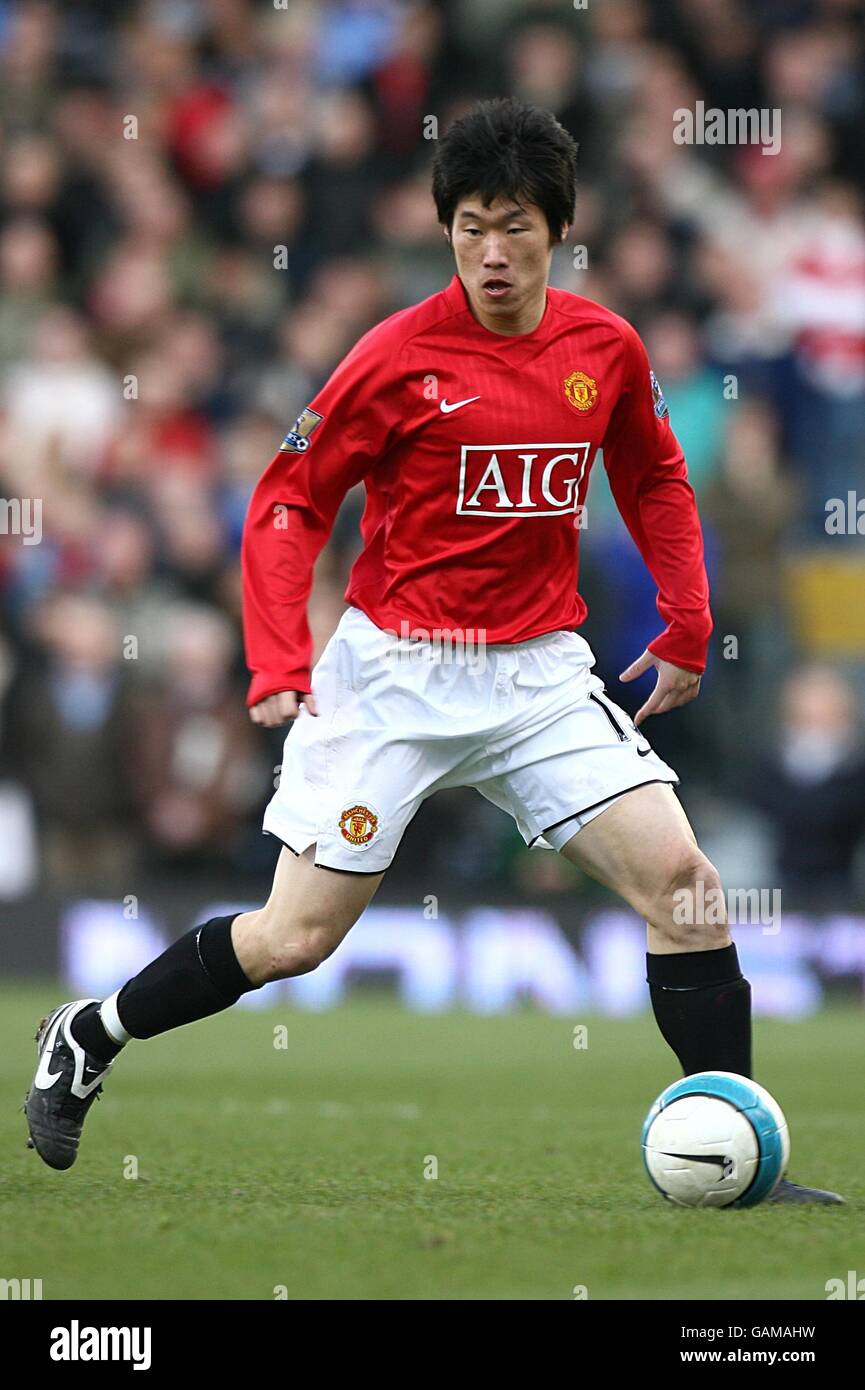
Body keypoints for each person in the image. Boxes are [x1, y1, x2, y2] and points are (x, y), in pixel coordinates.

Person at [25, 99, 841, 1203]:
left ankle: (737, 1150)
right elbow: (284, 501)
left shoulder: (603, 348)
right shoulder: (395, 356)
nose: (490, 252)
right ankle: (92, 1029)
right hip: (394, 676)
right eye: (466, 226)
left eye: (511, 225)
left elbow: (651, 476)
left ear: (557, 227)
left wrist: (686, 622)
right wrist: (278, 657)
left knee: (689, 889)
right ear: (443, 229)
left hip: (537, 674)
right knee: (293, 937)